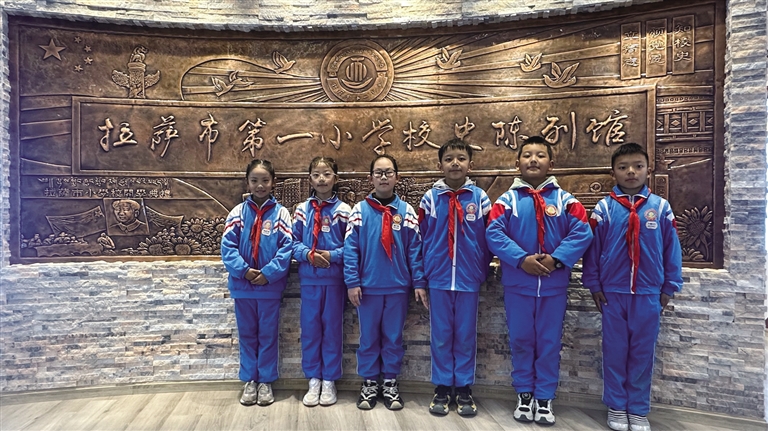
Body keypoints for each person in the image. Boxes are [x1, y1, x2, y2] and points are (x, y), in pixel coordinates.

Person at [486, 135, 593, 426]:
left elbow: (582, 232)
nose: (533, 159)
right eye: (527, 155)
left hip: (553, 287)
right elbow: (493, 233)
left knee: (548, 342)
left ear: (551, 164)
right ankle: (524, 393)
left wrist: (556, 260)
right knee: (521, 339)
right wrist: (522, 259)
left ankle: (544, 396)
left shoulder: (566, 201)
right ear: (517, 163)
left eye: (540, 155)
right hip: (518, 285)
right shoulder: (506, 201)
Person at [582, 143, 683, 431]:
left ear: (648, 170)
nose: (631, 171)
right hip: (612, 294)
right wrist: (594, 284)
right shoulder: (604, 208)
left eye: (638, 166)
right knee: (614, 351)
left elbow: (671, 250)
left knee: (642, 353)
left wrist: (669, 286)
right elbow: (592, 251)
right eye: (623, 166)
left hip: (649, 294)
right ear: (612, 172)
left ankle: (637, 409)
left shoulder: (660, 208)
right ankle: (616, 406)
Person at [344, 154, 427, 411]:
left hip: (397, 287)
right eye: (378, 173)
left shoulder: (407, 211)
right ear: (370, 178)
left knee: (393, 337)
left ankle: (390, 381)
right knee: (368, 338)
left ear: (396, 177)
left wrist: (419, 282)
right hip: (367, 288)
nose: (383, 177)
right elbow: (351, 249)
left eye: (388, 172)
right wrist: (352, 282)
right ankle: (369, 382)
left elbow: (415, 250)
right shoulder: (359, 211)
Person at [418, 139, 491, 417]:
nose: (455, 163)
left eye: (461, 158)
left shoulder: (480, 198)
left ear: (470, 165)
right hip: (438, 278)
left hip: (468, 279)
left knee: (465, 336)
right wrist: (422, 276)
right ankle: (441, 387)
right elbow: (421, 238)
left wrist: (480, 269)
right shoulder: (430, 198)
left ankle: (463, 388)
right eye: (449, 159)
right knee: (440, 336)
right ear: (440, 165)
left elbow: (488, 238)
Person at [221, 159, 293, 407]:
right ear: (247, 182)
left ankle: (266, 381)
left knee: (268, 335)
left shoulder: (281, 214)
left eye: (265, 180)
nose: (260, 185)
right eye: (254, 180)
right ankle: (250, 380)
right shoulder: (237, 213)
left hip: (269, 288)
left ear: (273, 182)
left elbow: (286, 248)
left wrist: (268, 273)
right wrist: (244, 271)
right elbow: (228, 246)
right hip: (243, 287)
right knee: (248, 335)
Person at [292, 156, 351, 407]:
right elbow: (291, 243)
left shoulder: (345, 211)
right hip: (309, 281)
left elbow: (353, 247)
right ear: (310, 179)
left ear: (335, 178)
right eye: (316, 175)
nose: (322, 179)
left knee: (332, 331)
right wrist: (307, 254)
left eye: (327, 174)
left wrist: (332, 256)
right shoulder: (301, 210)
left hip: (335, 282)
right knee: (310, 331)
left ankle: (329, 380)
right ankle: (313, 378)